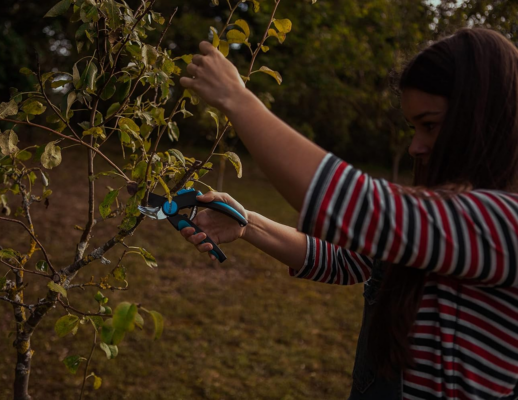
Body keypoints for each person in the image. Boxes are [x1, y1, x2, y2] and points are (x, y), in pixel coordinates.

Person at [178, 28, 518, 399]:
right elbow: (345, 260)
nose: (414, 146)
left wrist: (237, 99)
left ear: (480, 119)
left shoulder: (506, 224)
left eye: (430, 125)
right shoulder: (438, 221)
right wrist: (248, 224)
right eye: (412, 127)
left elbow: (356, 207)